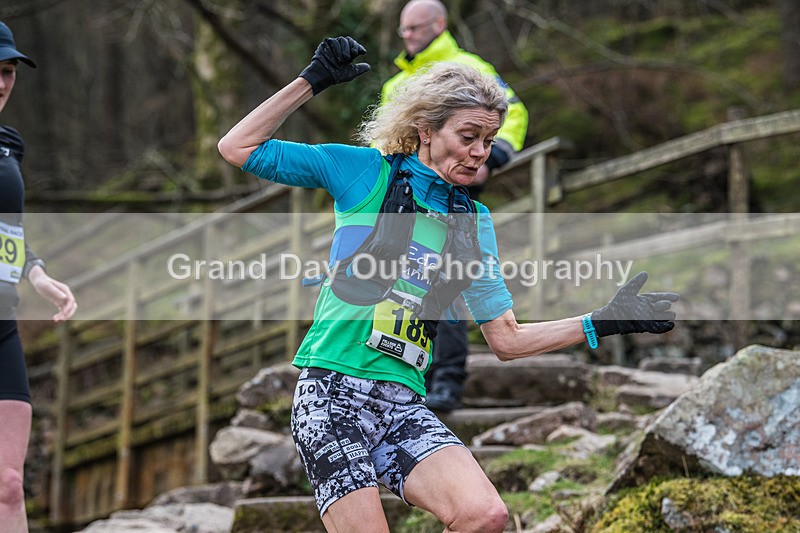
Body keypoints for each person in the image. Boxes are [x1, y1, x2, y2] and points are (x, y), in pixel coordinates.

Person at [218, 36, 677, 533]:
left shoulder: (473, 222)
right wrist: (311, 82)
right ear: (426, 130)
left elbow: (506, 340)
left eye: (489, 140)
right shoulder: (365, 173)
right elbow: (237, 147)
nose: (480, 153)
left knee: (485, 515)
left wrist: (602, 321)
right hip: (332, 397)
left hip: (403, 405)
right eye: (468, 136)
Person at [383, 0, 530, 411]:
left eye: (415, 27)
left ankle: (447, 379)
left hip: (453, 195)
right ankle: (412, 375)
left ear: (439, 24)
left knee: (446, 283)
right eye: (403, 29)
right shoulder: (395, 85)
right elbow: (384, 139)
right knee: (405, 284)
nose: (407, 35)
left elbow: (515, 112)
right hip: (402, 199)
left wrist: (492, 159)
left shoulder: (470, 67)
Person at [0, 20, 78, 533]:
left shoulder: (10, 145)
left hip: (2, 326)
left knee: (8, 484)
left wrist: (37, 274)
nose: (1, 82)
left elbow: (11, 232)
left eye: (8, 71)